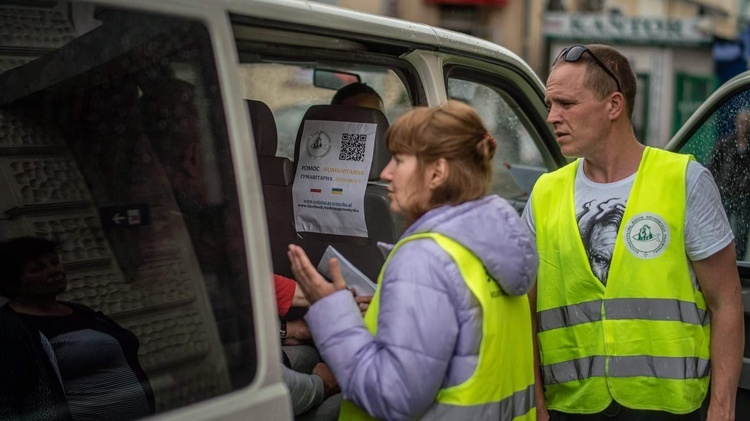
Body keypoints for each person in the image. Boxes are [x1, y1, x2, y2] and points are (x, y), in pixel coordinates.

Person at [522, 44, 745, 420]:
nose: (552, 118)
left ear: (613, 105)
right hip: (571, 408)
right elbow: (524, 313)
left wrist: (722, 409)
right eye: (549, 105)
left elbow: (726, 303)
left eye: (566, 104)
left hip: (669, 408)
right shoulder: (545, 192)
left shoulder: (683, 180)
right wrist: (537, 406)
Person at [287, 100, 539, 420]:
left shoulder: (424, 258)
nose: (385, 172)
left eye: (399, 160)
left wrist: (332, 314)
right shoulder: (493, 248)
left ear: (437, 172)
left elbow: (393, 398)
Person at [0, 236, 154, 420]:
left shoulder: (80, 312)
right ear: (11, 284)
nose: (54, 271)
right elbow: (7, 401)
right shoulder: (10, 329)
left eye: (54, 262)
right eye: (37, 269)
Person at [707, 109, 750, 260]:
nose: (744, 126)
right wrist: (716, 186)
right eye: (742, 122)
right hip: (725, 192)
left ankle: (738, 263)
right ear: (736, 123)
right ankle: (724, 261)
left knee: (741, 234)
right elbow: (711, 166)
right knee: (721, 231)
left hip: (744, 195)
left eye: (747, 123)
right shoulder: (726, 143)